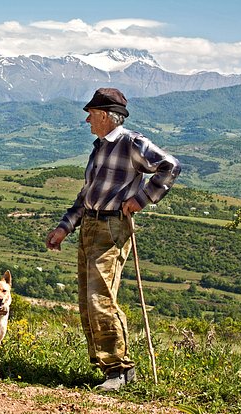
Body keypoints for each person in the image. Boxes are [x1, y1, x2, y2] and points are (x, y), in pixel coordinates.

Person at [45, 88, 181, 391]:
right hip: (90, 227)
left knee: (100, 298)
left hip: (111, 228)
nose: (87, 120)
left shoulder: (132, 143)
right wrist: (65, 227)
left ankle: (119, 370)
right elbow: (87, 195)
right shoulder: (100, 147)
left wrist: (143, 198)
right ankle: (108, 367)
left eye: (91, 114)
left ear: (106, 116)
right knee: (87, 300)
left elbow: (170, 165)